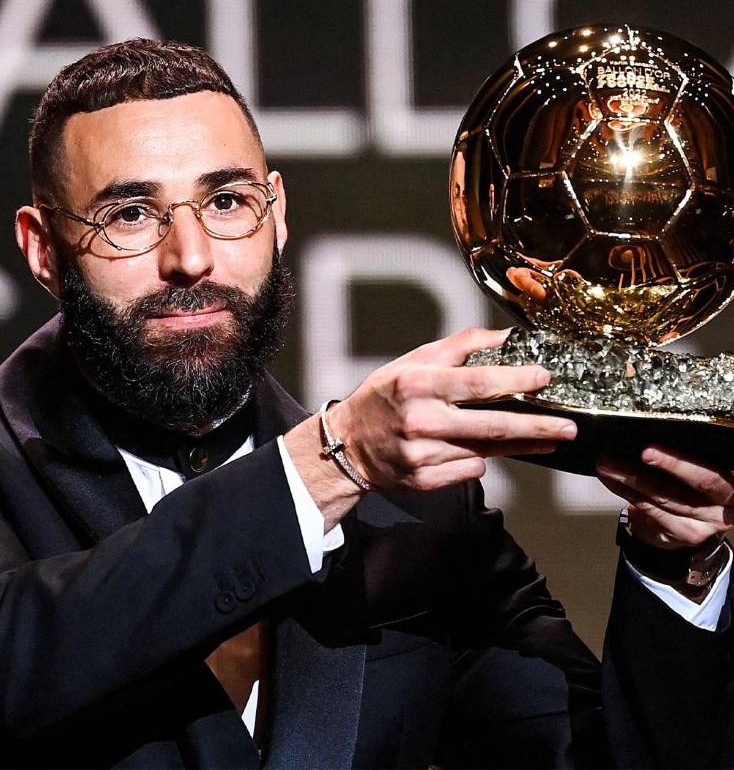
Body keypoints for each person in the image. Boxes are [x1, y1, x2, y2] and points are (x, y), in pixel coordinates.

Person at [0, 37, 729, 769]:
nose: (191, 257)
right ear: (42, 248)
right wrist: (330, 463)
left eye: (226, 202)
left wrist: (677, 564)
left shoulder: (415, 514)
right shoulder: (347, 465)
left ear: (277, 213)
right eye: (129, 214)